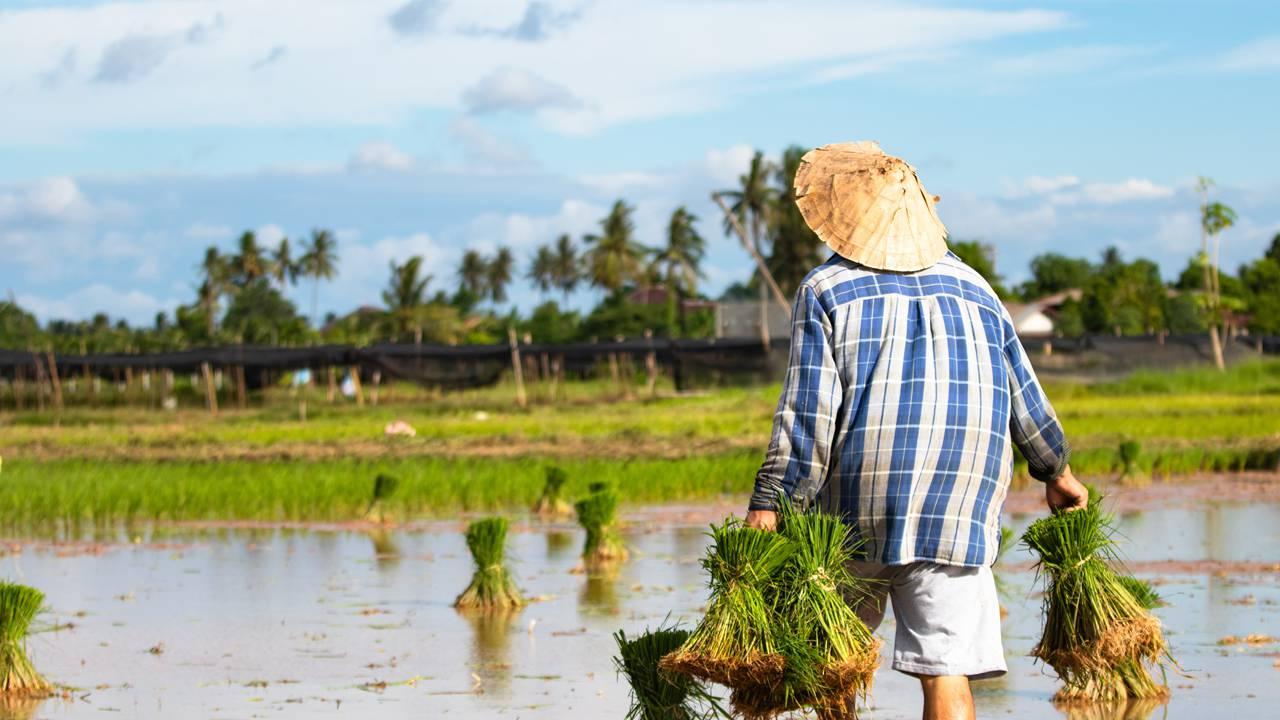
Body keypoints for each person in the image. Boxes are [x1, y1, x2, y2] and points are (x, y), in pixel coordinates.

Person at [743, 142, 1087, 720]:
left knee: (834, 658)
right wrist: (1058, 473)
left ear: (843, 221)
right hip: (958, 503)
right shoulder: (978, 289)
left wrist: (771, 502)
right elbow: (1025, 395)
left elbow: (809, 414)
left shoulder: (825, 290)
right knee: (946, 669)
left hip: (856, 504)